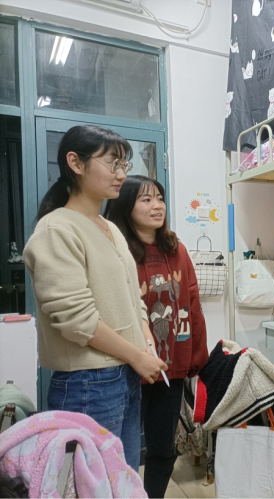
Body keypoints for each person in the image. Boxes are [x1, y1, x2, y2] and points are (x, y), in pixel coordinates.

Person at [23, 125, 167, 472]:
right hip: (89, 382)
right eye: (112, 163)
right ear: (75, 162)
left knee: (123, 479)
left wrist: (146, 342)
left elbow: (133, 298)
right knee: (94, 486)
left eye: (124, 164)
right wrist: (137, 356)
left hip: (123, 373)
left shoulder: (110, 227)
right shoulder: (56, 228)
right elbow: (77, 320)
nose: (121, 174)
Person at [106, 176, 209, 499]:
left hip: (169, 367)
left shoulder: (176, 249)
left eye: (160, 199)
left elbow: (192, 302)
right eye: (146, 199)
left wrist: (197, 355)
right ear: (126, 206)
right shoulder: (116, 249)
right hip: (127, 365)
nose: (157, 206)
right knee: (120, 449)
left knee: (163, 448)